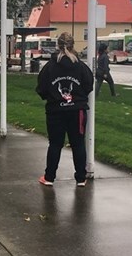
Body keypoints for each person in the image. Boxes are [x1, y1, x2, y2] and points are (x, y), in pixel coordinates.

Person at [36, 32, 94, 186]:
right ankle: (81, 178)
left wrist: (52, 97)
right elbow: (89, 85)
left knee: (55, 144)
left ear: (58, 46)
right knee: (78, 144)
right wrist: (78, 97)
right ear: (73, 45)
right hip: (77, 110)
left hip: (55, 110)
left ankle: (49, 177)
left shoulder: (50, 67)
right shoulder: (80, 66)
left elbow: (41, 87)